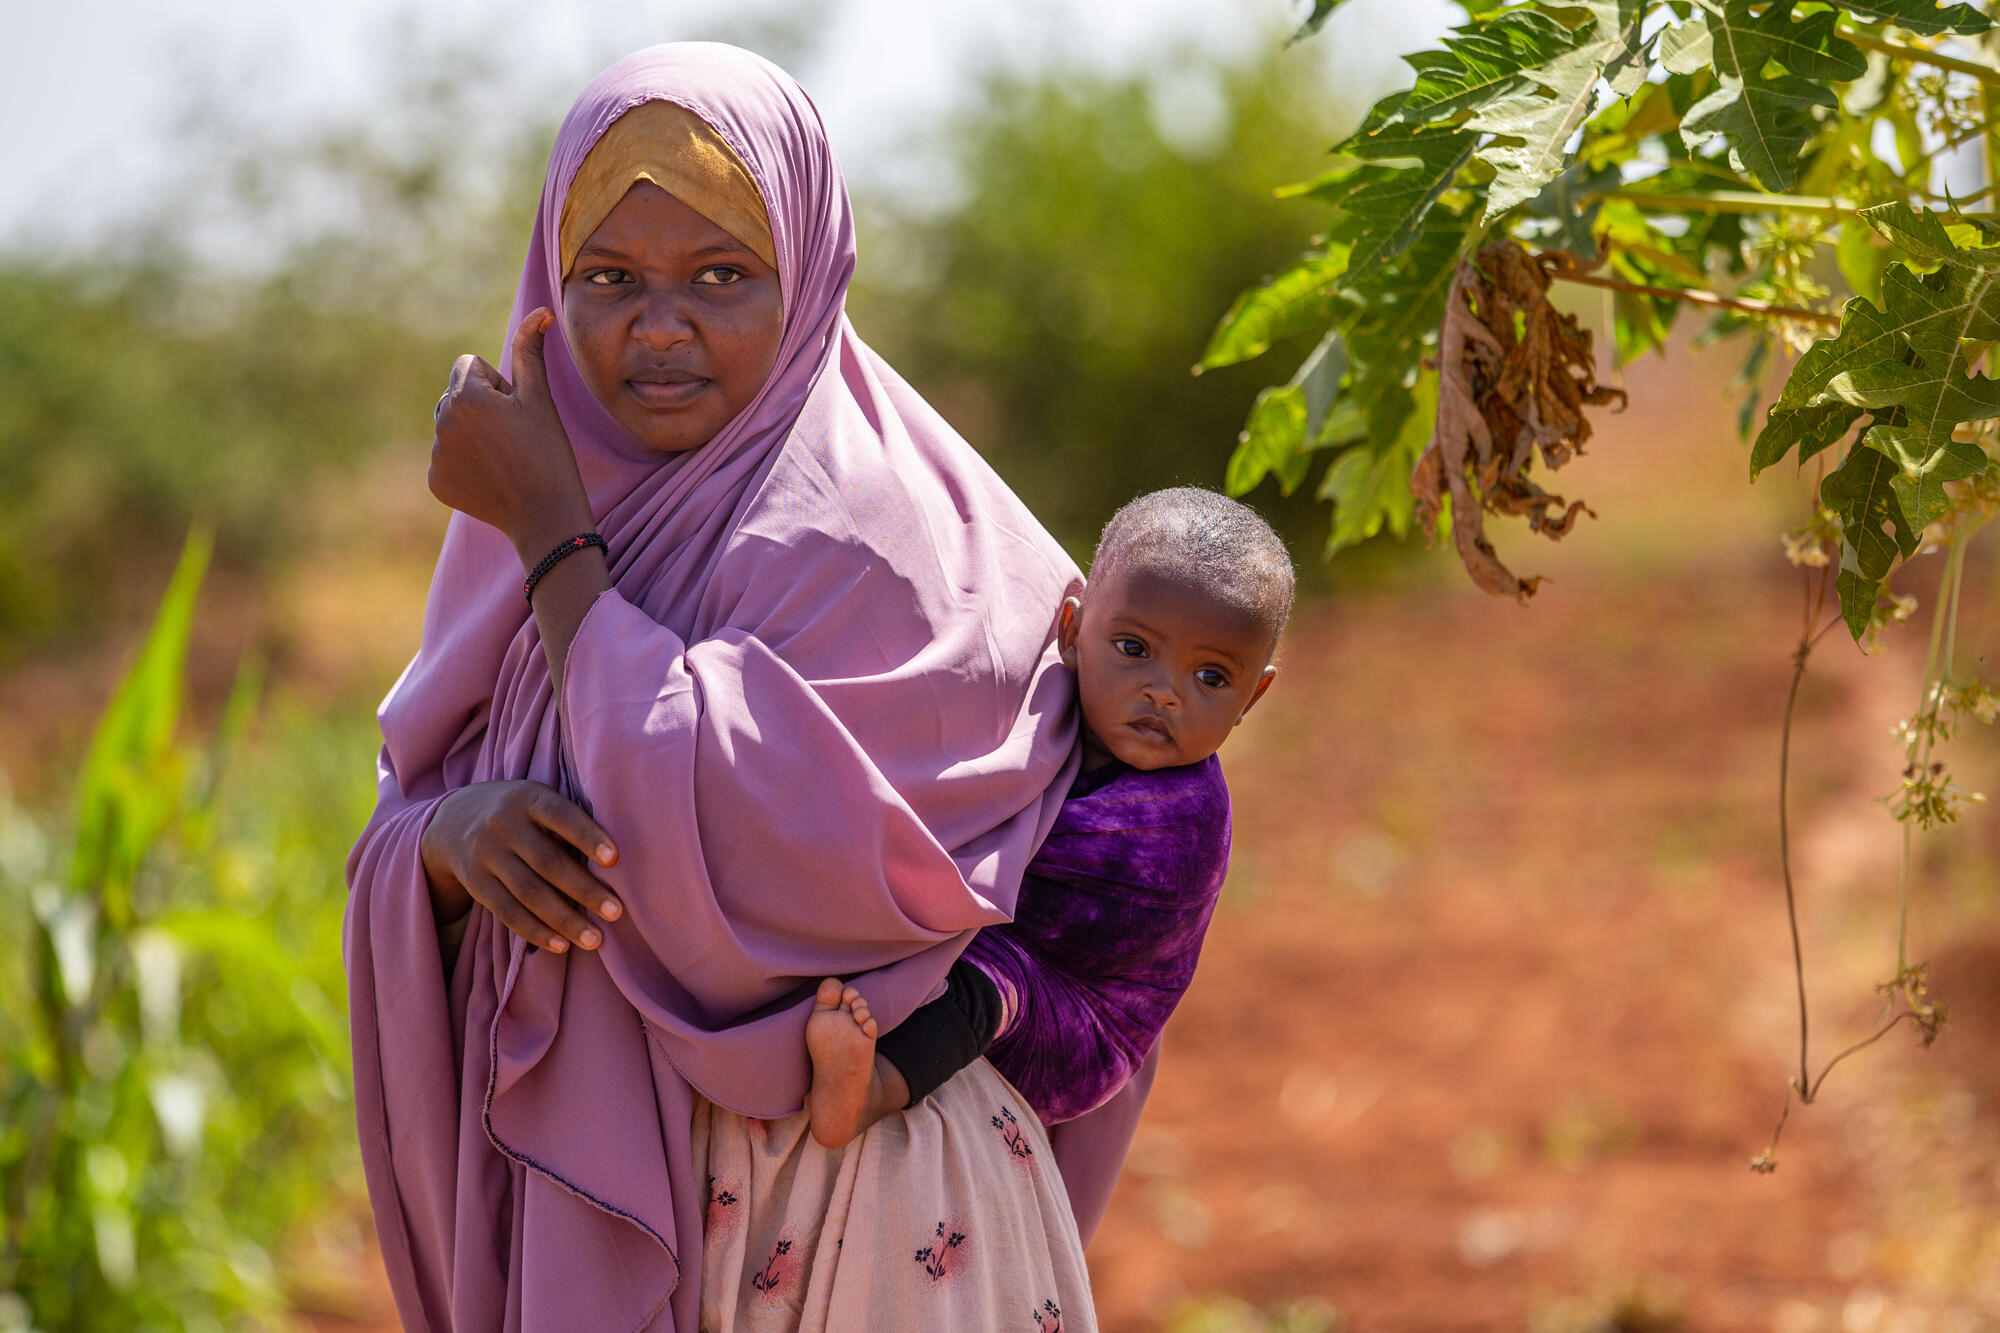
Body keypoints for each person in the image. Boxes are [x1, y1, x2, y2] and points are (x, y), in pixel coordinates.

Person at [343, 43, 1163, 1333]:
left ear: (810, 275)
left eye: (721, 276)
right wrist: (448, 847)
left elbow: (729, 868)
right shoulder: (537, 506)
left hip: (849, 1202)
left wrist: (557, 537)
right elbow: (418, 806)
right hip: (599, 1201)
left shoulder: (881, 534)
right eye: (609, 278)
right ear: (549, 291)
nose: (658, 327)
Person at [803, 487, 1293, 1149]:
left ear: (1253, 697)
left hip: (1083, 1021)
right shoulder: (1038, 716)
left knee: (993, 976)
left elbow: (1012, 867)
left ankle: (876, 1087)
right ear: (1070, 631)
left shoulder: (1182, 819)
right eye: (1131, 646)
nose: (1164, 690)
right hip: (1032, 958)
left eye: (1210, 677)